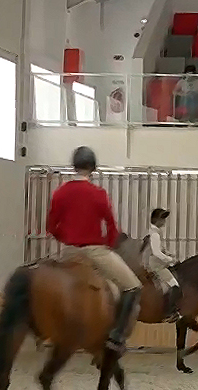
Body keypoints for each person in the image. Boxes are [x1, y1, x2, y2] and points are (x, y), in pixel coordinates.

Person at [46, 146, 140, 354]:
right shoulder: (98, 194)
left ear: (74, 166)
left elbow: (51, 227)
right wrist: (107, 243)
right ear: (93, 168)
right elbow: (113, 228)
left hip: (69, 252)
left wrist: (68, 240)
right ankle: (116, 337)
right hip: (96, 252)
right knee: (133, 287)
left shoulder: (60, 192)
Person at [146, 208, 182, 320]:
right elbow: (156, 253)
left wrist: (168, 253)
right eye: (163, 219)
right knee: (174, 285)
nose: (164, 222)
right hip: (156, 265)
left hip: (158, 263)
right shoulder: (155, 234)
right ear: (157, 220)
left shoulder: (155, 232)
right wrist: (170, 260)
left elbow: (160, 249)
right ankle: (169, 312)